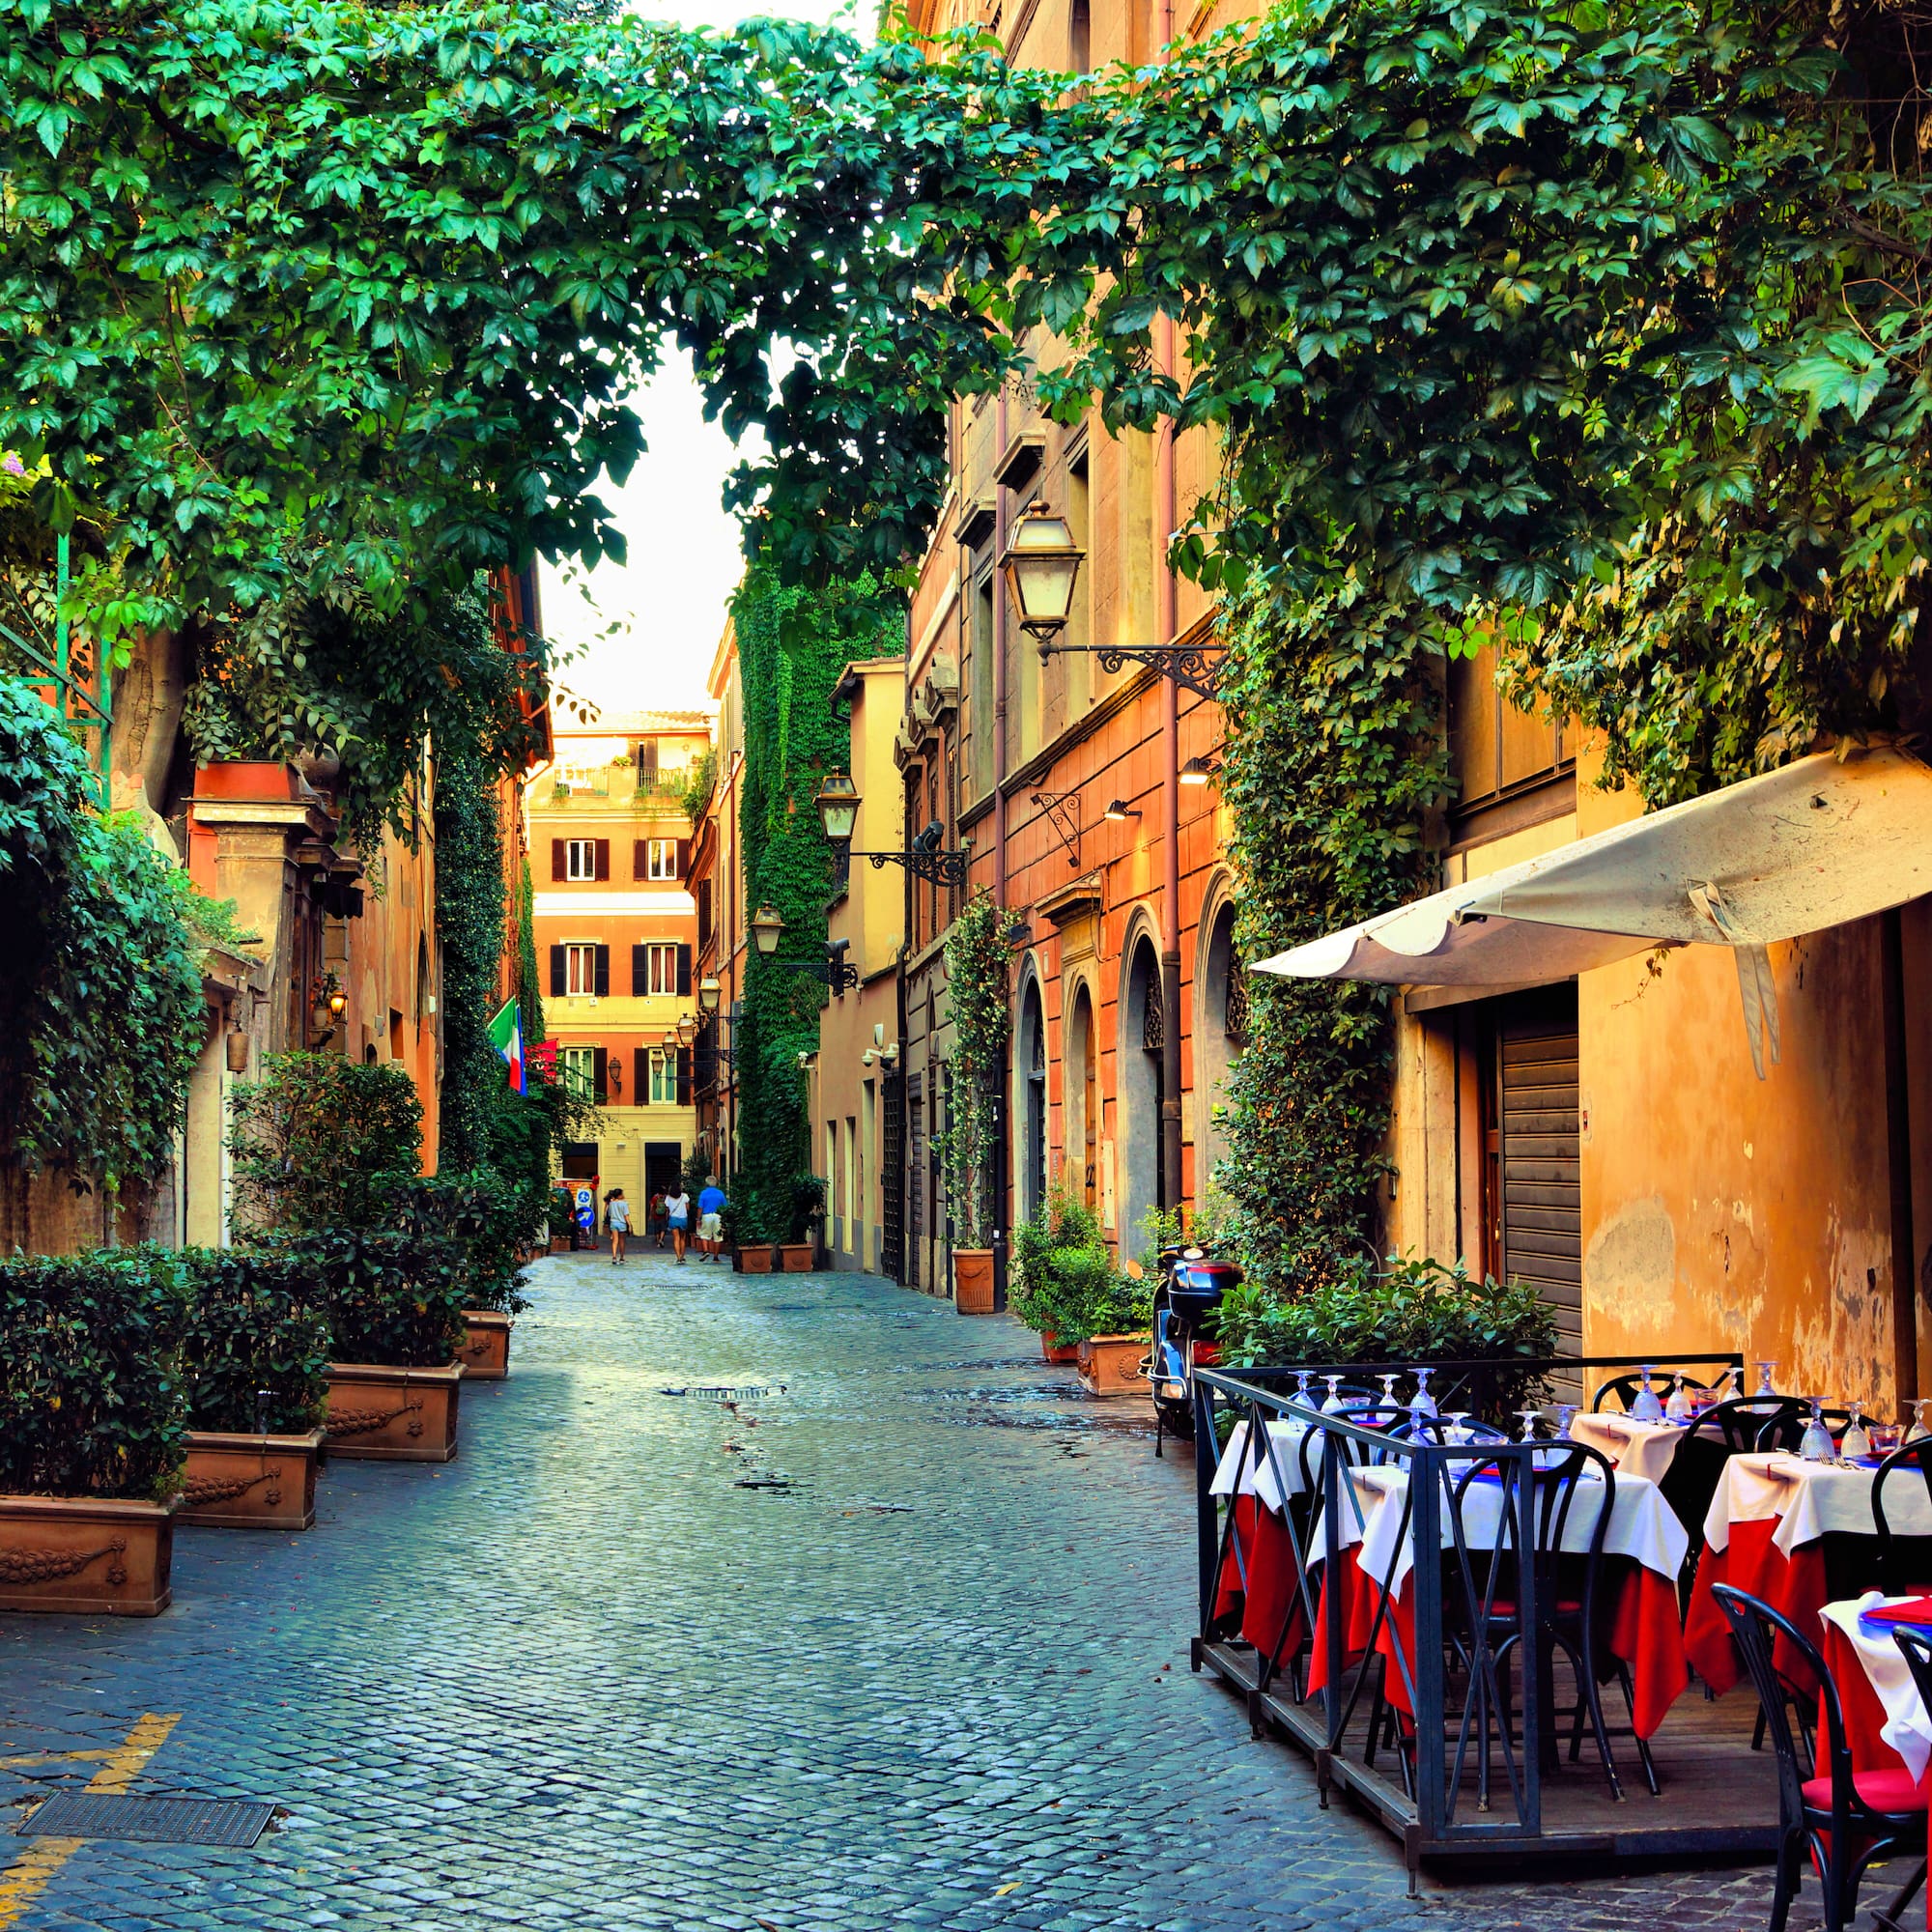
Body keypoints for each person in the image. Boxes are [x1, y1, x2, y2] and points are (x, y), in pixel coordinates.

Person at [696, 1177, 728, 1263]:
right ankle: (716, 1257)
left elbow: (700, 1207)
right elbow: (725, 1206)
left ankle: (706, 1251)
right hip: (718, 1216)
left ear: (706, 1183)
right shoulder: (720, 1193)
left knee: (704, 1234)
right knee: (718, 1236)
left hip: (706, 1215)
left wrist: (698, 1219)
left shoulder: (703, 1193)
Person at [663, 1182, 692, 1264]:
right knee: (682, 1238)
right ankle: (682, 1256)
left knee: (676, 1238)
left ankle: (678, 1257)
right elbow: (688, 1208)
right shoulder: (685, 1196)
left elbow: (667, 1208)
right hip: (683, 1218)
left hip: (673, 1218)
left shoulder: (668, 1197)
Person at [606, 1188, 630, 1266]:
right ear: (619, 1195)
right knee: (622, 1241)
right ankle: (622, 1258)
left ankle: (614, 1257)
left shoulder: (611, 1204)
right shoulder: (624, 1204)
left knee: (615, 1241)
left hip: (613, 1223)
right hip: (622, 1223)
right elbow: (626, 1215)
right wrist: (629, 1224)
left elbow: (609, 1214)